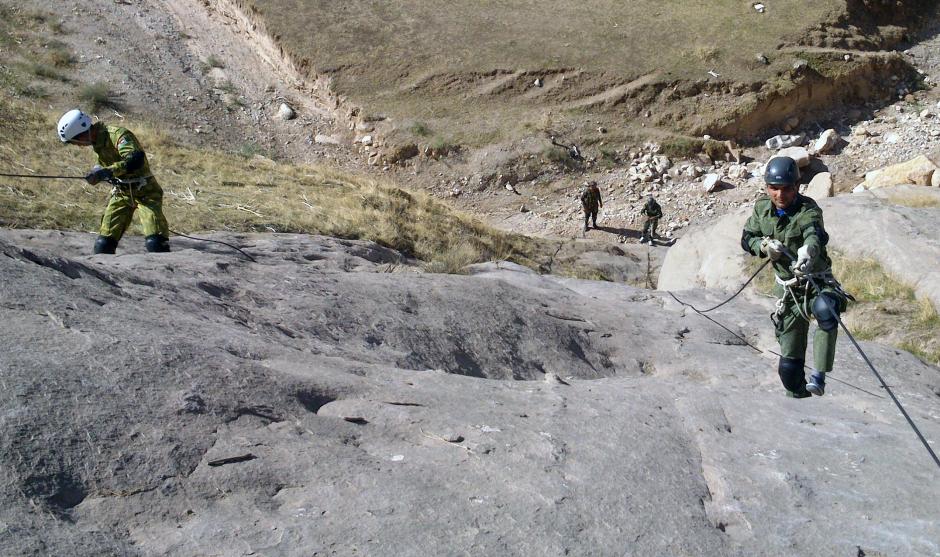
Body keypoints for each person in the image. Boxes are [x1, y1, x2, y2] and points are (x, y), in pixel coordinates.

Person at [741, 156, 849, 398]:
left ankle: (819, 377)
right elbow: (747, 238)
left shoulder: (808, 209)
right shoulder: (762, 209)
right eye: (774, 188)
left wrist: (809, 249)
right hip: (789, 292)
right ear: (767, 187)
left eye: (787, 188)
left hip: (816, 283)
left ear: (797, 187)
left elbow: (815, 233)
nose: (780, 194)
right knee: (789, 373)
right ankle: (800, 395)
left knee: (826, 309)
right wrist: (763, 246)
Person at [57, 109, 170, 254]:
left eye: (76, 142)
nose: (78, 145)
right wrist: (96, 173)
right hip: (122, 193)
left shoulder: (118, 135)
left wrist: (108, 172)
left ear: (81, 134)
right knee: (103, 244)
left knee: (155, 242)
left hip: (146, 192)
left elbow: (135, 160)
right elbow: (103, 164)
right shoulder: (97, 143)